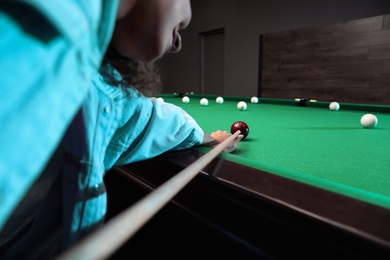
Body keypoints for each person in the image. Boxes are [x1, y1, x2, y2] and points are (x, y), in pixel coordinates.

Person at [0, 0, 243, 258]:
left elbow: (136, 115)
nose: (188, 18)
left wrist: (204, 137)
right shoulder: (41, 26)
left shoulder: (91, 77)